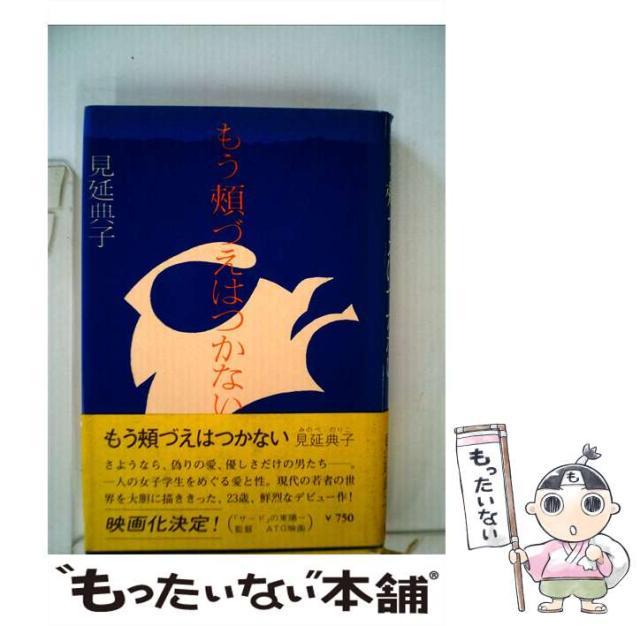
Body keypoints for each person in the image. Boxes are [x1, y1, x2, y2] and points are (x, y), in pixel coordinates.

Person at [509, 444, 629, 614]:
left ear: (611, 508)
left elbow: (606, 569)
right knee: (554, 588)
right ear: (534, 508)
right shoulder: (553, 546)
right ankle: (556, 601)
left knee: (591, 589)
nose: (572, 518)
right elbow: (539, 555)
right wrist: (523, 556)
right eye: (553, 504)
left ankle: (588, 602)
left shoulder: (595, 544)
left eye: (592, 504)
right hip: (555, 581)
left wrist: (600, 557)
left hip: (589, 582)